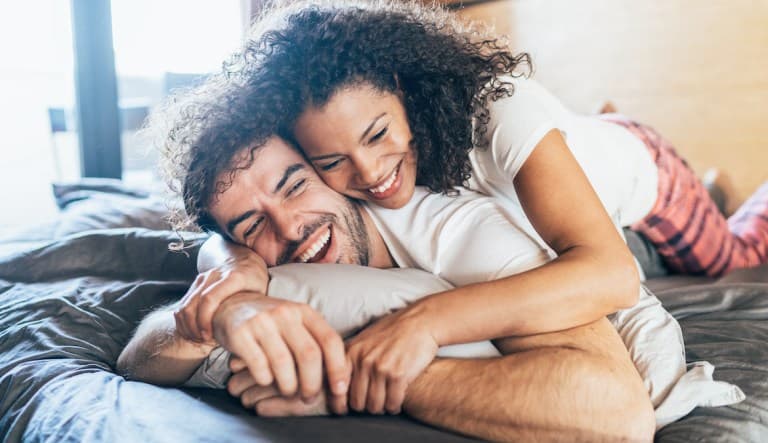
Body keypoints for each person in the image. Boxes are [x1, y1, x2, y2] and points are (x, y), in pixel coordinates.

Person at [182, 0, 767, 415]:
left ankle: (716, 187)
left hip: (644, 176)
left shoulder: (499, 111)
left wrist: (426, 321)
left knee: (729, 251)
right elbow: (247, 208)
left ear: (402, 86)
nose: (367, 175)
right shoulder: (329, 177)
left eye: (379, 133)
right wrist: (236, 265)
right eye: (332, 162)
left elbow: (610, 275)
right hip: (556, 183)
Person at [120, 134, 656, 441]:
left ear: (329, 169)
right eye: (251, 226)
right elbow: (138, 360)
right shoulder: (241, 261)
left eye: (296, 185)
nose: (289, 229)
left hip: (626, 165)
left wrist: (342, 380)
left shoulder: (463, 235)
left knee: (666, 207)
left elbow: (620, 416)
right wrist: (225, 303)